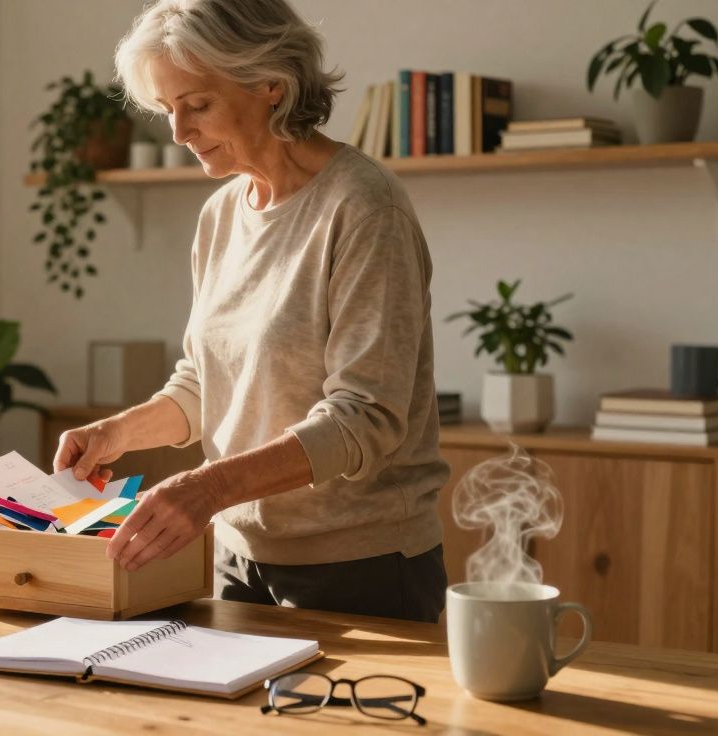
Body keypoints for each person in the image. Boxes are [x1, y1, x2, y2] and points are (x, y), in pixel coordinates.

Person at [53, 0, 450, 623]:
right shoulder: (220, 216)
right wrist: (115, 435)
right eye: (167, 111)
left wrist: (204, 488)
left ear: (271, 82)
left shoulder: (365, 208)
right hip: (237, 559)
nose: (179, 133)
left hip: (363, 567)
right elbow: (203, 384)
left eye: (197, 105)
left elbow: (364, 419)